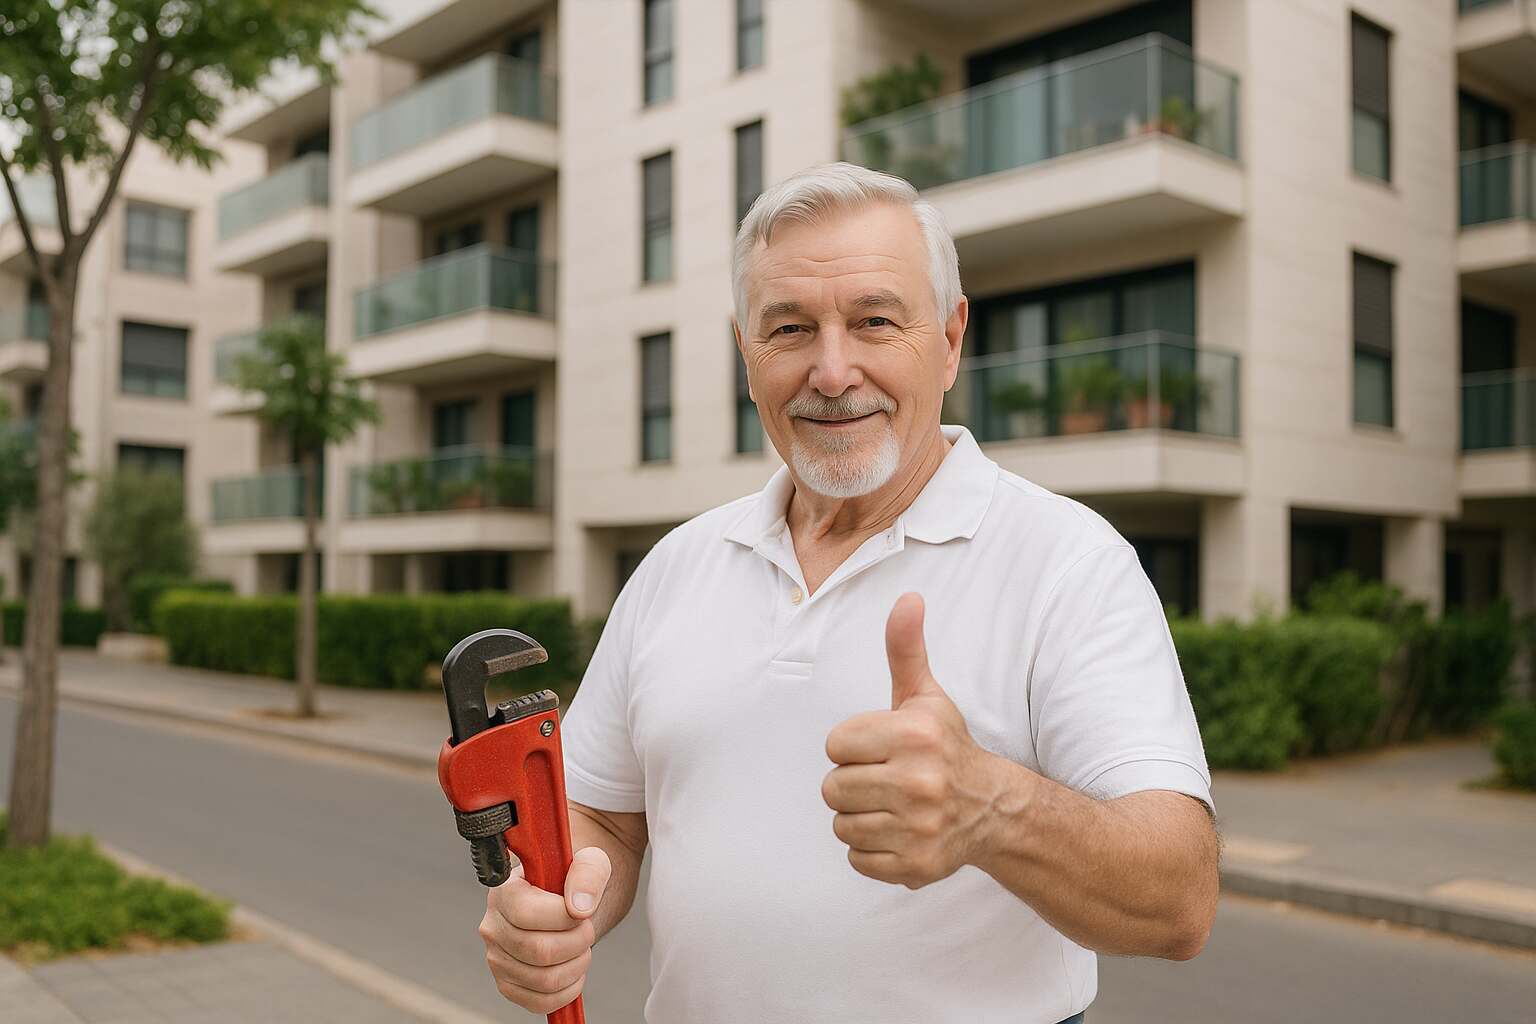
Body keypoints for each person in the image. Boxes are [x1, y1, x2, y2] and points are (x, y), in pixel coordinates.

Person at [475, 162, 1219, 1023]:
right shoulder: (678, 565)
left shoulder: (1067, 561)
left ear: (950, 339)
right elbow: (607, 818)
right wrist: (552, 912)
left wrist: (994, 808)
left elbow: (1180, 899)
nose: (832, 373)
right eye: (790, 328)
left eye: (875, 321)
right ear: (747, 354)